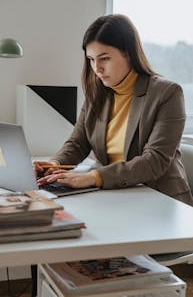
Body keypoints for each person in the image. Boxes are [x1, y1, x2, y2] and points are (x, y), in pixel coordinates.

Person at [34, 14, 193, 206]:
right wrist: (54, 164)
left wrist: (93, 177)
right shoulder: (98, 93)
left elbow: (155, 161)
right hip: (117, 196)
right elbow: (78, 142)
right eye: (91, 59)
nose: (97, 68)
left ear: (129, 53)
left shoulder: (167, 93)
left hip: (161, 200)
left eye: (105, 58)